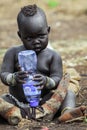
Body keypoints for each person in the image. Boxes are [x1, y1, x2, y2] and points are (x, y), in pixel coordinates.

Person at [0, 4, 86, 125]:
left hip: (46, 101)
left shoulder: (53, 56)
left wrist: (46, 81)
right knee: (3, 99)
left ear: (48, 30)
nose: (36, 42)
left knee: (68, 94)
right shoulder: (13, 53)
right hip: (17, 101)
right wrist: (13, 78)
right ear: (20, 36)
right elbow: (4, 74)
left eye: (41, 36)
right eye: (29, 38)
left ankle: (67, 111)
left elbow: (57, 78)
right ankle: (14, 113)